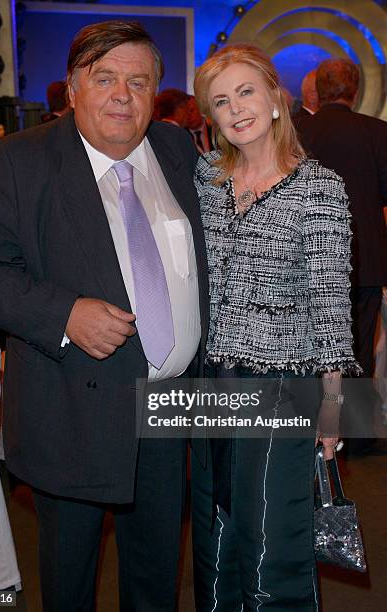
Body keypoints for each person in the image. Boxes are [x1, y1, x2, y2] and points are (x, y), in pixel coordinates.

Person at [0, 20, 209, 611]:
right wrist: (63, 314)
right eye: (106, 78)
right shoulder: (23, 159)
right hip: (71, 410)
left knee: (156, 575)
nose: (123, 94)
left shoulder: (176, 150)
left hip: (169, 411)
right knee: (70, 581)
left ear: (156, 93)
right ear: (73, 90)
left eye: (139, 81)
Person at [191, 44, 359, 611]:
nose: (236, 109)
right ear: (209, 117)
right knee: (216, 540)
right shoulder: (207, 179)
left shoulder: (319, 188)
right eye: (220, 101)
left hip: (281, 387)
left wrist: (334, 410)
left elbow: (332, 308)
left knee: (270, 550)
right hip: (212, 386)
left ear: (276, 99)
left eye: (245, 92)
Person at [298, 58, 387, 456]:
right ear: (354, 89)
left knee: (312, 347)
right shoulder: (377, 132)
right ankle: (358, 434)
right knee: (360, 350)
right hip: (365, 257)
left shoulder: (298, 131)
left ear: (320, 88)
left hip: (306, 257)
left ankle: (311, 427)